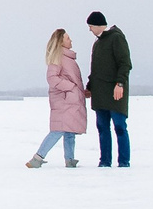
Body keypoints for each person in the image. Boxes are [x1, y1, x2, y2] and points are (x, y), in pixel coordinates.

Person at [27, 28, 86, 167]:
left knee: (70, 130)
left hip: (71, 100)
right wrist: (71, 87)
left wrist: (80, 91)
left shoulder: (68, 58)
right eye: (67, 38)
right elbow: (52, 78)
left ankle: (70, 159)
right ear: (60, 42)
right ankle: (37, 158)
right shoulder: (58, 58)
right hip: (64, 101)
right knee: (58, 130)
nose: (70, 40)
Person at [86, 11, 131, 167]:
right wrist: (89, 87)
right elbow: (95, 69)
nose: (90, 30)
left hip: (115, 92)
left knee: (119, 126)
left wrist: (120, 84)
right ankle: (105, 161)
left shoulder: (116, 38)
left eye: (90, 26)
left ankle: (124, 162)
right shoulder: (98, 43)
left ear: (97, 25)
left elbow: (125, 63)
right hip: (100, 94)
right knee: (102, 128)